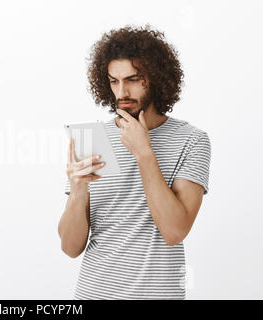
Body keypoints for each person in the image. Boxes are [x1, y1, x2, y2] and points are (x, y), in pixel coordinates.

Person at [58, 24, 211, 300]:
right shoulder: (93, 139)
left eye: (132, 79)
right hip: (93, 293)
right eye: (113, 81)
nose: (121, 92)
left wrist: (144, 153)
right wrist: (77, 192)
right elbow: (70, 247)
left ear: (156, 78)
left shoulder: (192, 140)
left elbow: (175, 231)